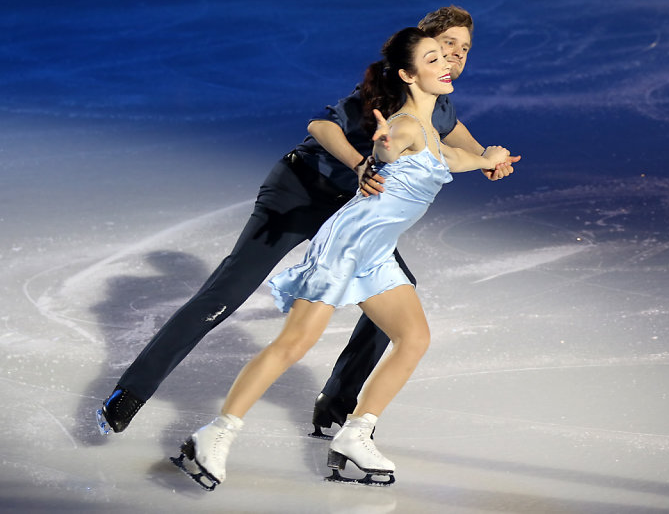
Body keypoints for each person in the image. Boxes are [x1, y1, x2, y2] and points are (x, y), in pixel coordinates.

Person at [97, 6, 520, 434]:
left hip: (348, 211)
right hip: (299, 192)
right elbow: (321, 127)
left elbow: (451, 129)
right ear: (419, 50)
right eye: (448, 45)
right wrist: (360, 164)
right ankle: (132, 390)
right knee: (227, 291)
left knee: (392, 288)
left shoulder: (437, 102)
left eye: (465, 49)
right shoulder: (384, 95)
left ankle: (337, 402)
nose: (456, 56)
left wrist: (486, 158)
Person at [171, 28, 513, 489]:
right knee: (294, 345)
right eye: (432, 60)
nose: (447, 64)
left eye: (447, 57)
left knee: (413, 338)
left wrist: (488, 156)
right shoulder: (407, 126)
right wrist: (381, 147)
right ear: (409, 75)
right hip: (346, 246)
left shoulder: (431, 134)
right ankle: (214, 435)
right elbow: (386, 149)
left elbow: (455, 158)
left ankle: (355, 434)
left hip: (374, 254)